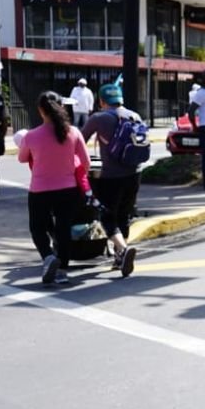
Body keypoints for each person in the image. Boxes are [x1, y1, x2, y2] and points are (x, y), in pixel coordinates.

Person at [19, 92, 88, 285]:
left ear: (41, 110)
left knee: (37, 227)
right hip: (68, 189)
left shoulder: (31, 136)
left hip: (39, 190)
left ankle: (48, 257)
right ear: (61, 106)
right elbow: (86, 162)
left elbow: (22, 158)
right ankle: (62, 270)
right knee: (63, 228)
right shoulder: (74, 132)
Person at [80, 83, 142, 277]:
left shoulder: (98, 118)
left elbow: (79, 140)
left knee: (107, 216)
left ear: (101, 101)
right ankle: (119, 257)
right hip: (135, 174)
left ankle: (123, 250)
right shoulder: (134, 116)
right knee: (124, 215)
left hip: (110, 176)